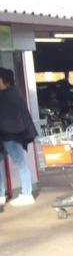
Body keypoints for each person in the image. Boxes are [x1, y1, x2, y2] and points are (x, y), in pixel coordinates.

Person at [0, 67, 39, 206]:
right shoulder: (14, 93)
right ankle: (2, 194)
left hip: (10, 136)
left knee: (21, 163)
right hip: (8, 136)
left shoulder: (7, 96)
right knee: (20, 163)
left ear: (3, 80)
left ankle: (27, 194)